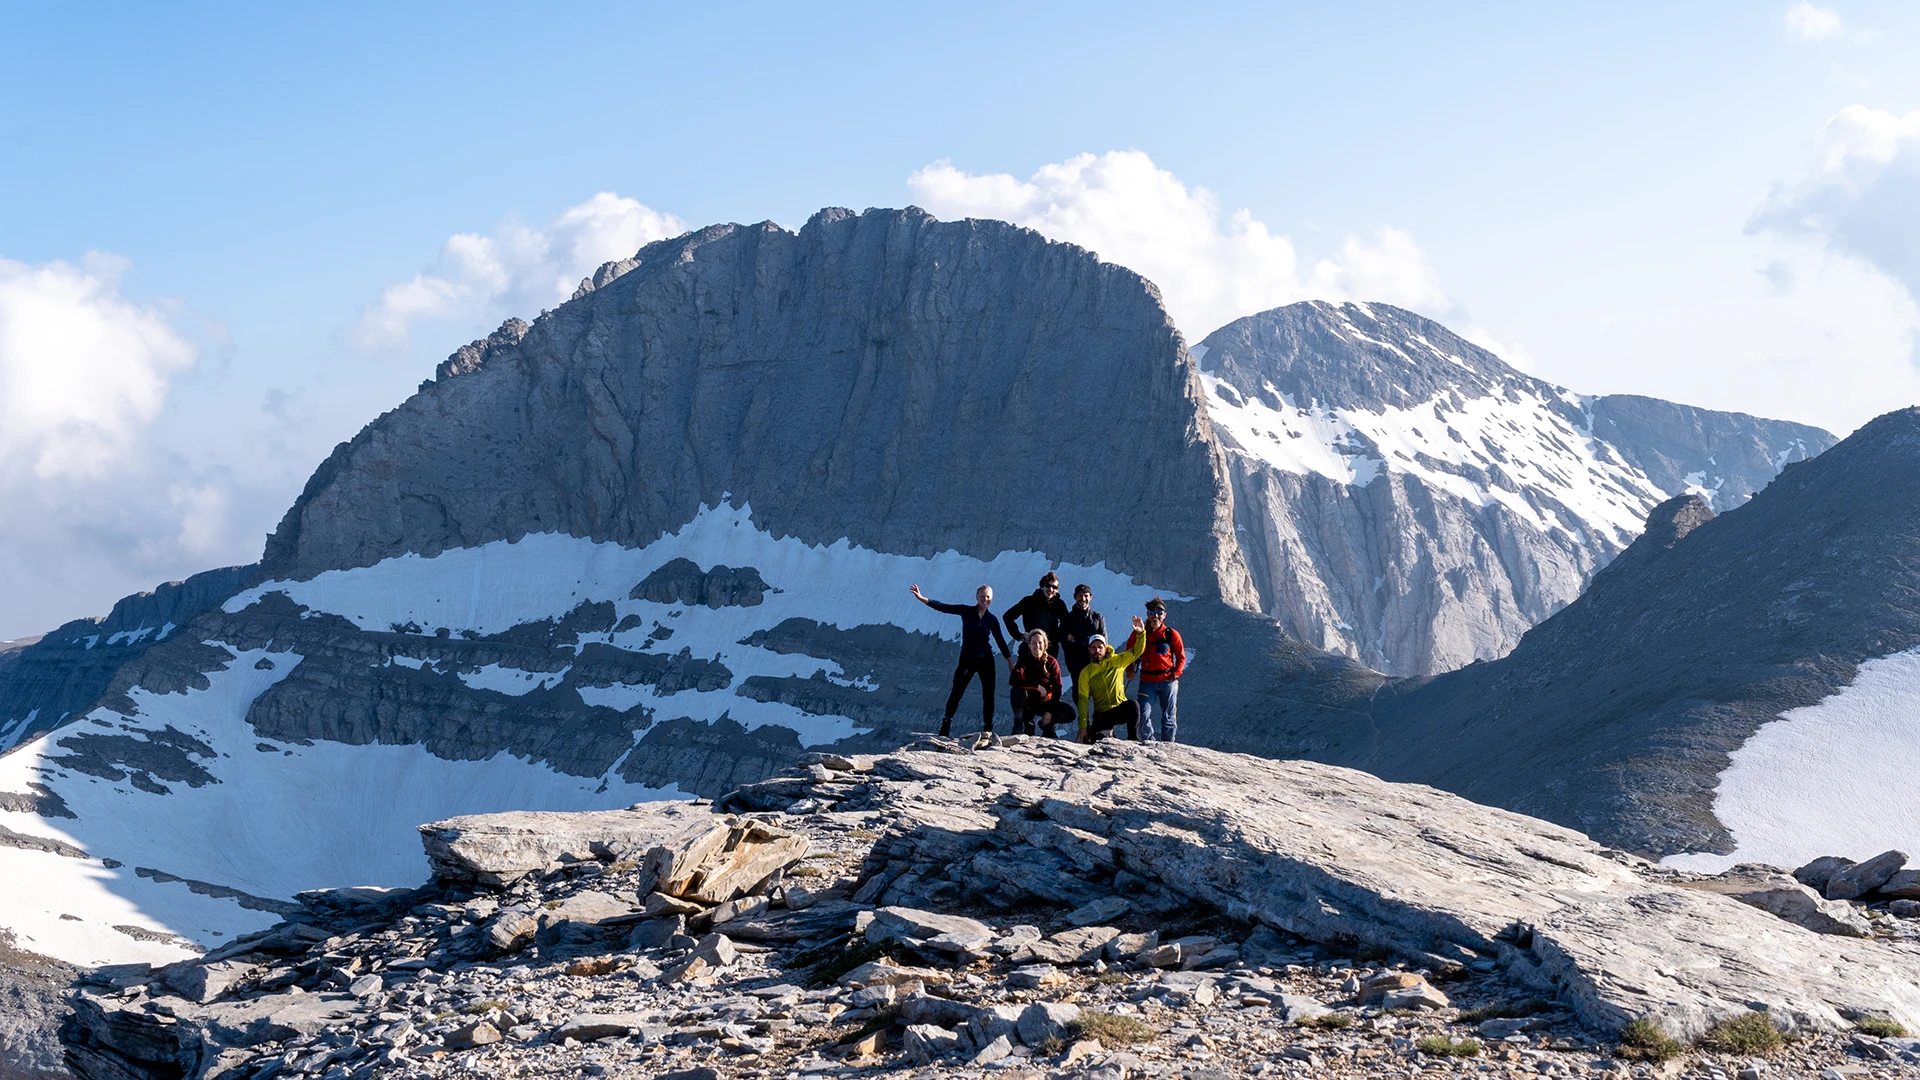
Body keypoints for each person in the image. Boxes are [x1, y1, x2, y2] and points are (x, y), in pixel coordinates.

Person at [910, 583, 1012, 737]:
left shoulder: (992, 619)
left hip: (986, 660)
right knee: (957, 691)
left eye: (988, 596)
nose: (985, 599)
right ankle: (946, 724)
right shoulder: (966, 611)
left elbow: (1001, 641)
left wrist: (1010, 661)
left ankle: (988, 729)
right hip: (967, 659)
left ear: (992, 598)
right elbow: (943, 607)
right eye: (982, 596)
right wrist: (921, 598)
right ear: (976, 597)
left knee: (988, 695)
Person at [1073, 618, 1147, 742]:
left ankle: (1133, 739)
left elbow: (1136, 652)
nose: (1097, 650)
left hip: (1119, 709)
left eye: (1100, 647)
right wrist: (1082, 727)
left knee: (1133, 705)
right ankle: (1107, 735)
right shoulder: (1086, 672)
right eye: (1094, 647)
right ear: (1089, 650)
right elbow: (1083, 700)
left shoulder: (1117, 660)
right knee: (1098, 740)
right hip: (1101, 714)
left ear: (1105, 648)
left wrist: (1140, 633)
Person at [1125, 597, 1186, 743]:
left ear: (1164, 615)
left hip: (1167, 681)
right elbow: (1129, 652)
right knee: (1142, 714)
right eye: (1152, 612)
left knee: (1169, 715)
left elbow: (1181, 657)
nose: (1155, 616)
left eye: (1159, 613)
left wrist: (1175, 674)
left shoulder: (1172, 634)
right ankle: (1150, 743)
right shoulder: (1139, 633)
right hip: (1147, 681)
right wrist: (1129, 669)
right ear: (1147, 614)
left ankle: (1168, 745)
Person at [1008, 629, 1076, 738]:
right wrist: (1037, 687)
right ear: (1029, 645)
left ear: (1045, 644)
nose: (1037, 646)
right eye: (1034, 643)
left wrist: (1050, 711)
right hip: (1028, 702)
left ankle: (1048, 725)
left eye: (1040, 643)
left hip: (1045, 702)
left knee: (1069, 713)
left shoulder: (1051, 662)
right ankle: (1021, 724)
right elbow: (1013, 680)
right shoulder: (1024, 661)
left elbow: (1058, 688)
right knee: (1016, 690)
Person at [1002, 572, 1070, 659]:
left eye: (1054, 587)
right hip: (1028, 648)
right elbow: (1008, 616)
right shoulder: (1028, 601)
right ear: (1042, 586)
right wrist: (1018, 636)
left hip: (1049, 650)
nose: (1051, 589)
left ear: (1057, 590)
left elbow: (1067, 622)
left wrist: (1056, 638)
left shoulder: (1059, 604)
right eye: (1048, 586)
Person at [1059, 583, 1106, 687]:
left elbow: (1103, 642)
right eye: (1080, 595)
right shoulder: (1068, 619)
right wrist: (1091, 640)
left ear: (1091, 597)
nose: (1083, 598)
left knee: (1098, 694)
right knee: (1079, 695)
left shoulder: (1098, 617)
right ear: (1074, 597)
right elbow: (1066, 644)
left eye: (1086, 596)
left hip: (1095, 663)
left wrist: (1077, 641)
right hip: (1076, 665)